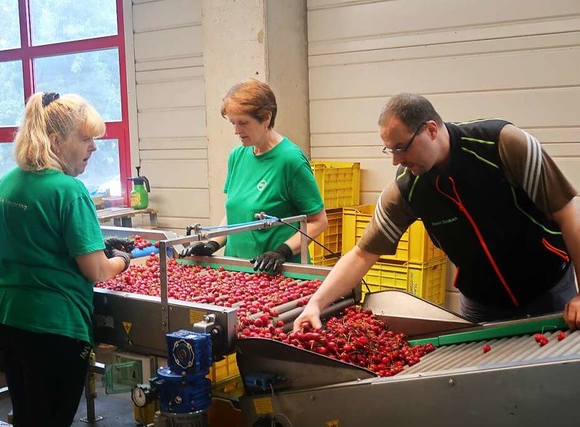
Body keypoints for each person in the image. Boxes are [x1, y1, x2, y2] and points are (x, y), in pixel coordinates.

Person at [294, 93, 580, 331]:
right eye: (389, 150)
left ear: (431, 129)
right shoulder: (408, 189)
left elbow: (569, 211)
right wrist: (316, 304)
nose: (396, 161)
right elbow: (362, 253)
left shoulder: (502, 145)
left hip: (549, 290)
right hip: (482, 305)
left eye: (401, 148)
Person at [0, 92, 132, 427]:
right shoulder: (69, 190)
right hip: (53, 327)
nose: (93, 147)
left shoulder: (9, 181)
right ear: (56, 141)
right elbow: (95, 270)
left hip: (6, 319)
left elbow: (39, 240)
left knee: (29, 416)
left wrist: (99, 244)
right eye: (85, 138)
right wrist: (122, 260)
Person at [180, 78, 328, 272]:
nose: (236, 131)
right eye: (232, 122)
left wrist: (282, 251)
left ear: (266, 117)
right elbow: (235, 213)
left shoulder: (290, 160)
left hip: (278, 274)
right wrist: (212, 244)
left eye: (243, 123)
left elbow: (318, 221)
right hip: (236, 269)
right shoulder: (237, 156)